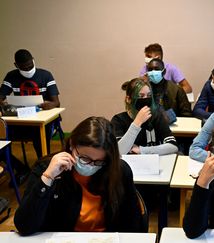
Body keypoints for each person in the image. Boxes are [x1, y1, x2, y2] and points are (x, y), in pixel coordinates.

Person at [14, 117, 143, 235]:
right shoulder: (46, 168)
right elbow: (24, 226)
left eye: (99, 162)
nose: (91, 165)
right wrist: (47, 178)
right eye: (84, 158)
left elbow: (133, 223)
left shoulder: (119, 171)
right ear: (71, 145)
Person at [0, 49, 60, 159]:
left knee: (38, 135)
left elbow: (56, 102)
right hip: (21, 119)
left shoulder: (45, 75)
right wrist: (3, 103)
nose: (28, 70)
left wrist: (50, 104)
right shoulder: (11, 76)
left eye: (30, 66)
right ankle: (20, 169)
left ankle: (42, 165)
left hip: (42, 120)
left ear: (33, 60)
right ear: (16, 65)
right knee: (2, 136)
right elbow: (1, 96)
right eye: (24, 68)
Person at [111, 78, 178, 155]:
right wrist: (137, 123)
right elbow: (120, 151)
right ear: (128, 99)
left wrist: (142, 150)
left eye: (149, 95)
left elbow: (173, 146)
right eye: (141, 96)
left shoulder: (156, 117)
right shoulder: (118, 120)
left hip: (154, 163)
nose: (145, 99)